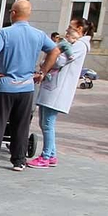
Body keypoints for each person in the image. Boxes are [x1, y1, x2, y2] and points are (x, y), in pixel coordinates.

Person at [0, 0, 59, 172]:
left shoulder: (5, 33)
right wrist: (42, 71)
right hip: (27, 87)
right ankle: (19, 161)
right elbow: (55, 50)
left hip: (5, 85)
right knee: (21, 125)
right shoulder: (38, 34)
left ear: (13, 13)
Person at [27, 17, 90, 168]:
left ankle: (46, 156)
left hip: (58, 89)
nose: (67, 30)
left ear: (80, 29)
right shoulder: (73, 44)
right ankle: (52, 154)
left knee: (48, 123)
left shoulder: (79, 45)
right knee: (44, 122)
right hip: (52, 86)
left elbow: (59, 60)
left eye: (71, 27)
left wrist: (50, 58)